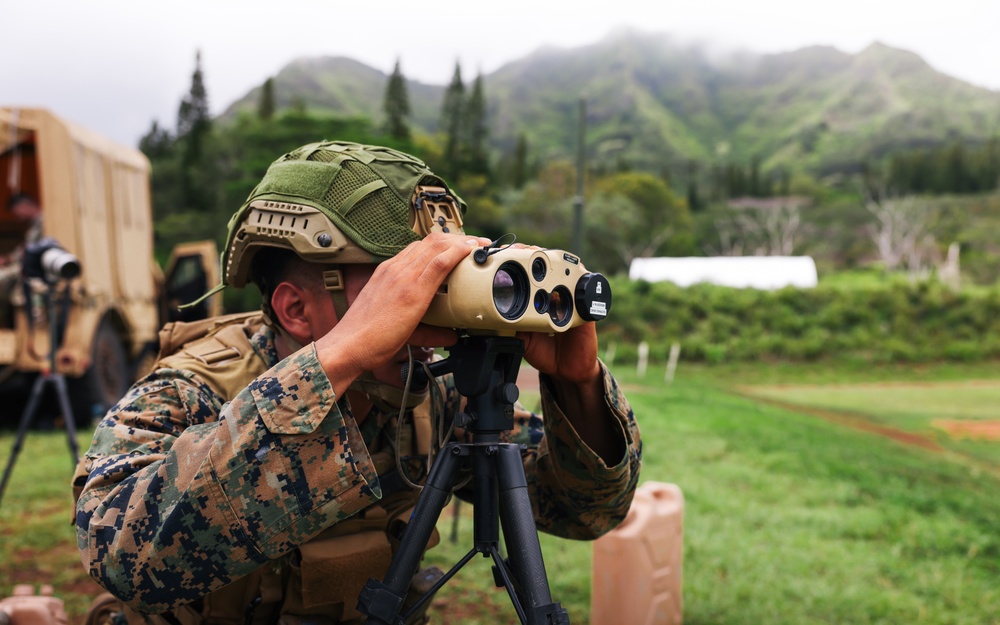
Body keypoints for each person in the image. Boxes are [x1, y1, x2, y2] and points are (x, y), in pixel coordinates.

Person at [73, 141, 641, 625]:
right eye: (401, 280)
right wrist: (337, 360)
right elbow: (122, 555)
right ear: (296, 308)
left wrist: (580, 385)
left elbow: (580, 509)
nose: (428, 303)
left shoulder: (429, 389)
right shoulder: (196, 389)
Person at [0, 193, 44, 326]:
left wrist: (9, 260)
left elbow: (32, 251)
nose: (17, 218)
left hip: (36, 267)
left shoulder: (44, 221)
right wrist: (7, 259)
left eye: (17, 212)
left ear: (24, 206)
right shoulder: (35, 224)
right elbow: (24, 249)